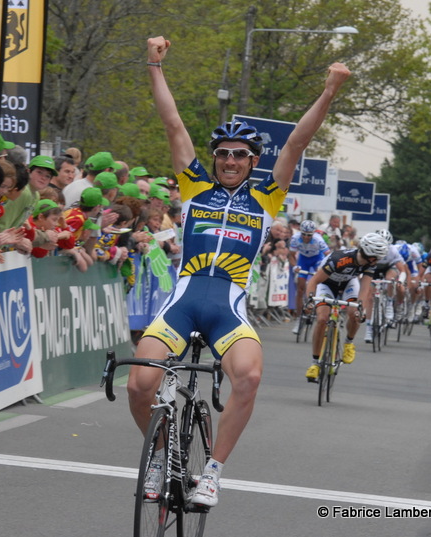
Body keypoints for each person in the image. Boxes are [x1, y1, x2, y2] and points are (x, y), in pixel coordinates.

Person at [126, 35, 350, 508]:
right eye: (223, 153)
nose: (229, 160)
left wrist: (329, 91)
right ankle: (160, 457)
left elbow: (297, 140)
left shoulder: (267, 196)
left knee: (248, 378)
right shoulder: (195, 187)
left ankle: (212, 473)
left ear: (253, 162)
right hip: (182, 302)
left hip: (228, 307)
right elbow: (172, 123)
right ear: (215, 159)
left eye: (239, 155)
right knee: (139, 382)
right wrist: (154, 65)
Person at [304, 233, 387, 381]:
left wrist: (360, 309)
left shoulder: (370, 263)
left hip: (349, 283)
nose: (377, 261)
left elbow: (364, 288)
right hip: (327, 284)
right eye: (376, 258)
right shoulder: (339, 259)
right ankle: (315, 363)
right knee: (322, 318)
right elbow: (314, 281)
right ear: (370, 255)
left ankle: (349, 343)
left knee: (354, 312)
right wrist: (309, 300)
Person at [288, 219, 330, 334]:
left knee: (318, 281)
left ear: (313, 233)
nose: (306, 237)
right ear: (300, 232)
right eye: (304, 234)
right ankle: (298, 319)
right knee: (300, 289)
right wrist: (295, 266)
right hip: (303, 260)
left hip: (317, 259)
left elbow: (328, 256)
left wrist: (323, 270)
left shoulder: (318, 239)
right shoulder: (295, 238)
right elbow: (291, 255)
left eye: (309, 235)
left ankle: (316, 307)